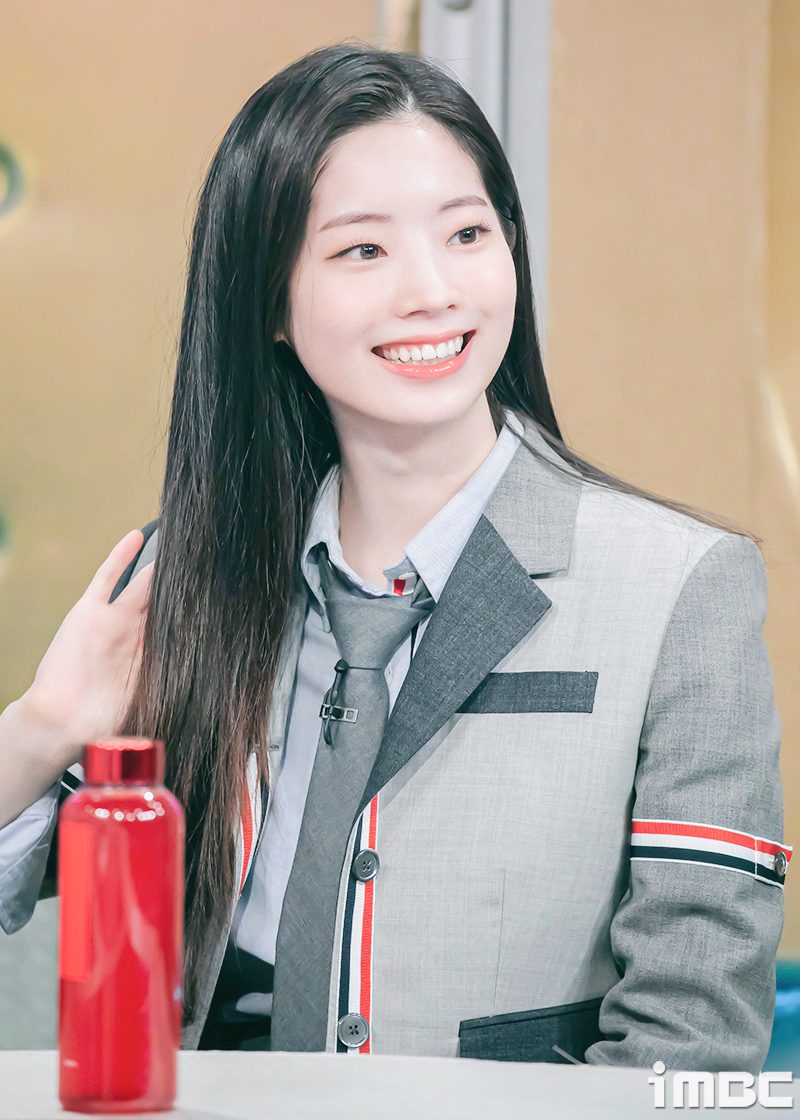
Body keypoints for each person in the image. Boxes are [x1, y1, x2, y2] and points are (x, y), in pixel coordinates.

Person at [0, 43, 790, 1072]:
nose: (431, 291)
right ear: (268, 303)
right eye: (363, 250)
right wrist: (42, 729)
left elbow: (693, 1042)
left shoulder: (678, 588)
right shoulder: (181, 581)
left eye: (466, 233)